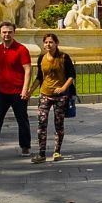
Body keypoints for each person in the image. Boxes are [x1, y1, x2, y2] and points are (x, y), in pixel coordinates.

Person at [0, 21, 33, 162]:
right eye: (4, 32)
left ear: (14, 33)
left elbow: (28, 69)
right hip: (0, 92)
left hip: (17, 91)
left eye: (9, 32)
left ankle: (25, 145)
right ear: (0, 33)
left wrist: (25, 89)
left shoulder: (21, 49)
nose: (7, 34)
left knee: (22, 120)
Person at [28, 32, 77, 163]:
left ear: (56, 43)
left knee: (58, 124)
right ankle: (41, 153)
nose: (48, 44)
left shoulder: (64, 57)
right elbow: (40, 77)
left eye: (51, 42)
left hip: (60, 96)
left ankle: (57, 151)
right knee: (41, 124)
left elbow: (72, 76)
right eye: (46, 42)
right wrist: (31, 90)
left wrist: (63, 88)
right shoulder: (41, 58)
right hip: (45, 94)